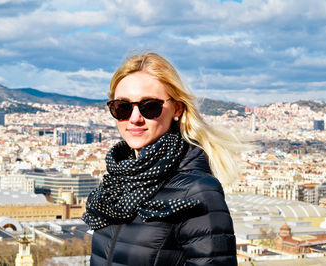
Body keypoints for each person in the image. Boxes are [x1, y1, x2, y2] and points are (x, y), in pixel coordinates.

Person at [83, 52, 240, 265]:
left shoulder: (196, 191)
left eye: (150, 106)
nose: (135, 118)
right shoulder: (116, 183)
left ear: (177, 108)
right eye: (123, 107)